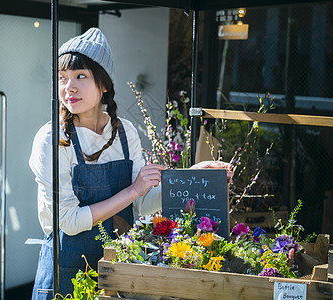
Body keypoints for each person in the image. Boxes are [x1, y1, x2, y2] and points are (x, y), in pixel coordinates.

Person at [29, 27, 232, 299]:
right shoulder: (52, 139)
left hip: (118, 270)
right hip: (66, 272)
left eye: (80, 76)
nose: (69, 87)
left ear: (104, 85)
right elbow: (69, 221)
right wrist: (133, 190)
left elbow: (141, 203)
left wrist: (192, 178)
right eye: (62, 78)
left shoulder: (124, 132)